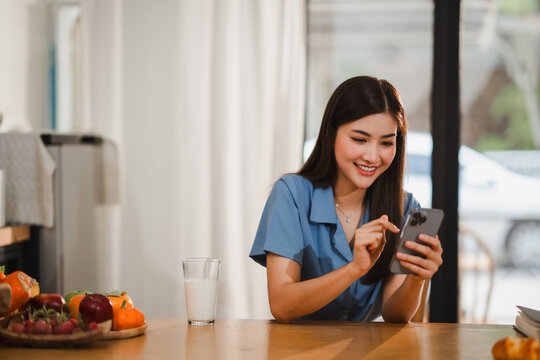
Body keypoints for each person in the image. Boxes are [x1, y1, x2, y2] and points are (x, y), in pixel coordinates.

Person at [249, 76, 443, 323]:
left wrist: (417, 278)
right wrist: (354, 269)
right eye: (359, 139)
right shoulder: (291, 194)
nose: (373, 156)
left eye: (386, 143)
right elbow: (282, 305)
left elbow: (397, 317)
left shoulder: (406, 208)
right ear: (332, 134)